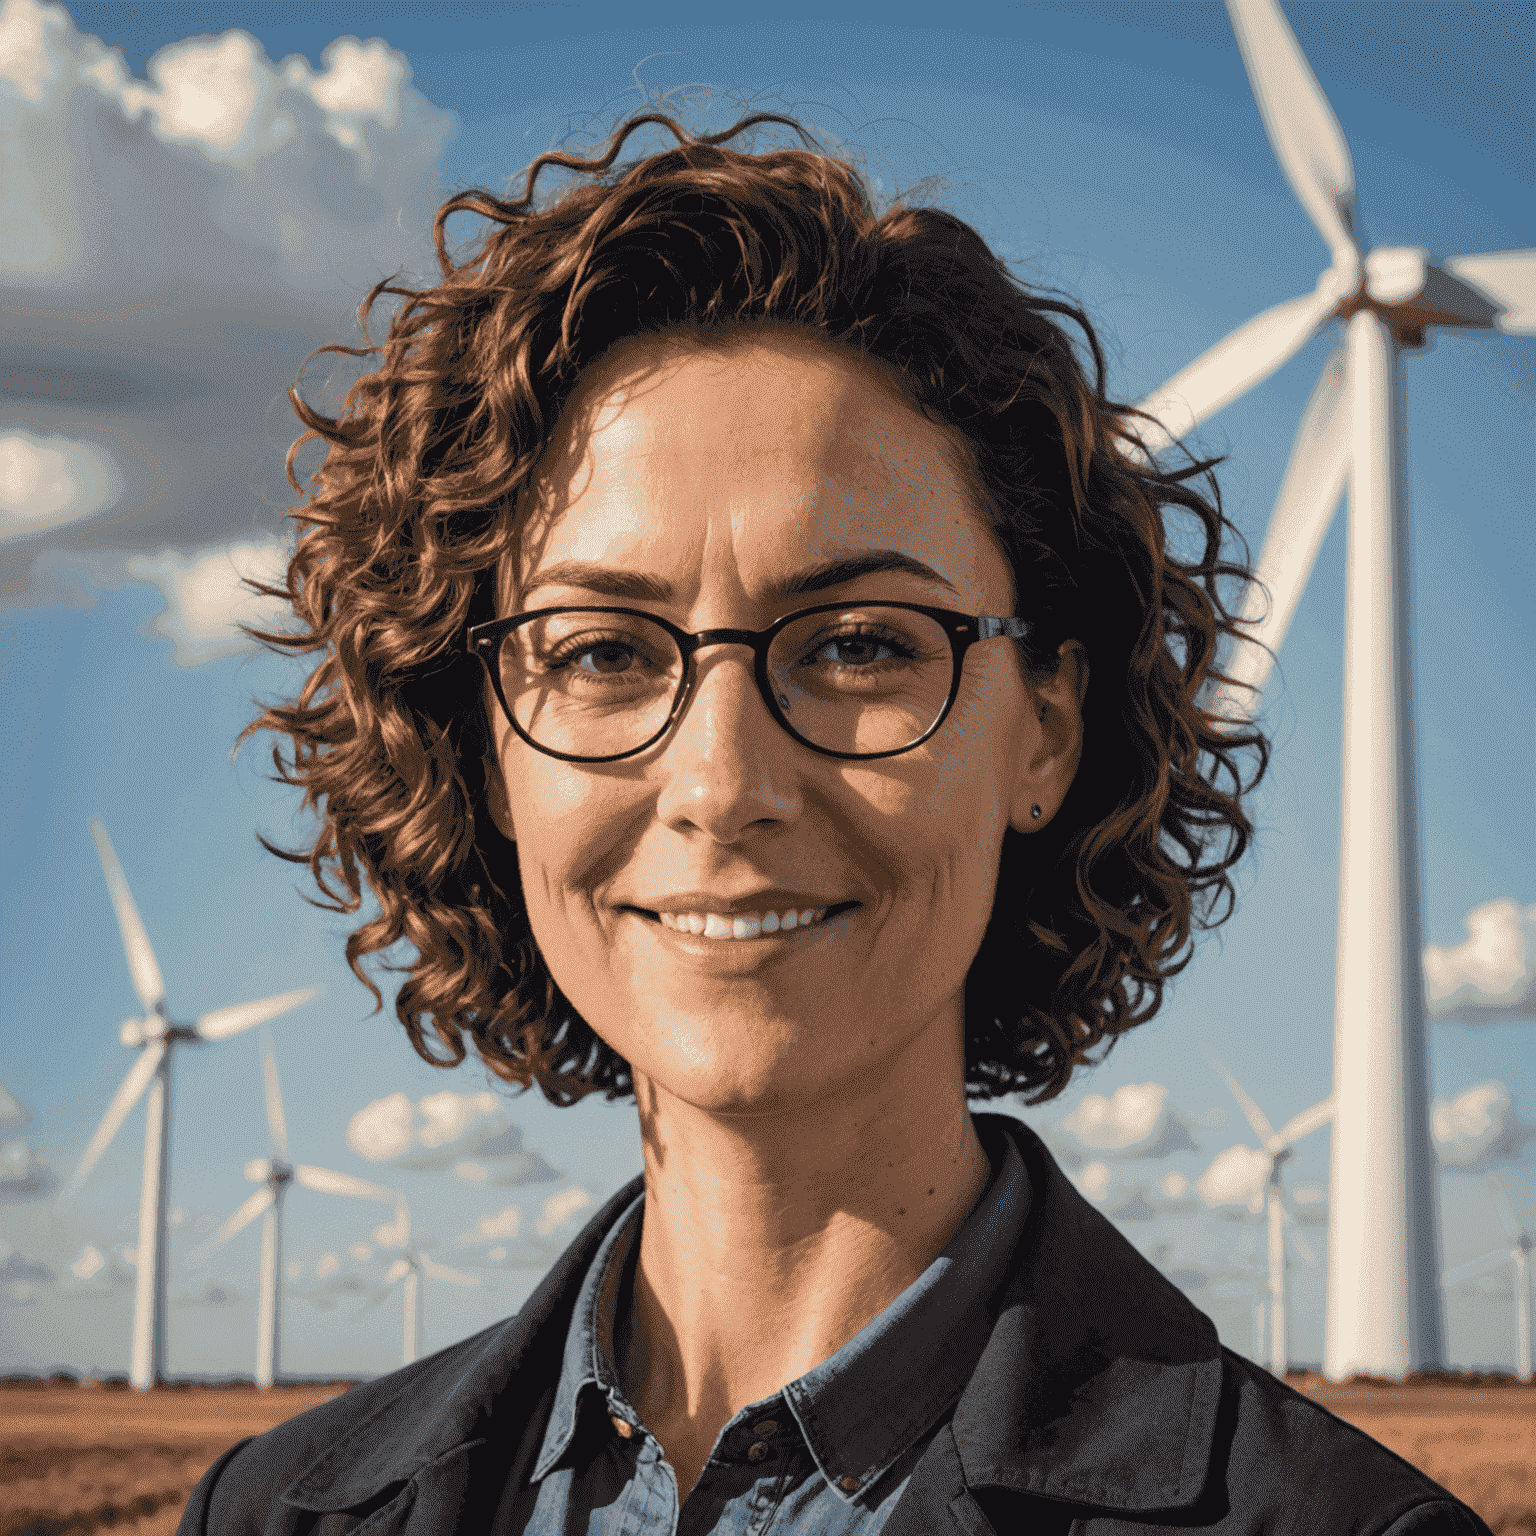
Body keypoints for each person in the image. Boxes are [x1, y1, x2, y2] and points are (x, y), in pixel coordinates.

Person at [180, 114, 1490, 1535]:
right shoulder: (271, 1513)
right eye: (603, 652)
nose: (724, 781)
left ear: (1045, 727)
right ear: (488, 752)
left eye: (861, 643)